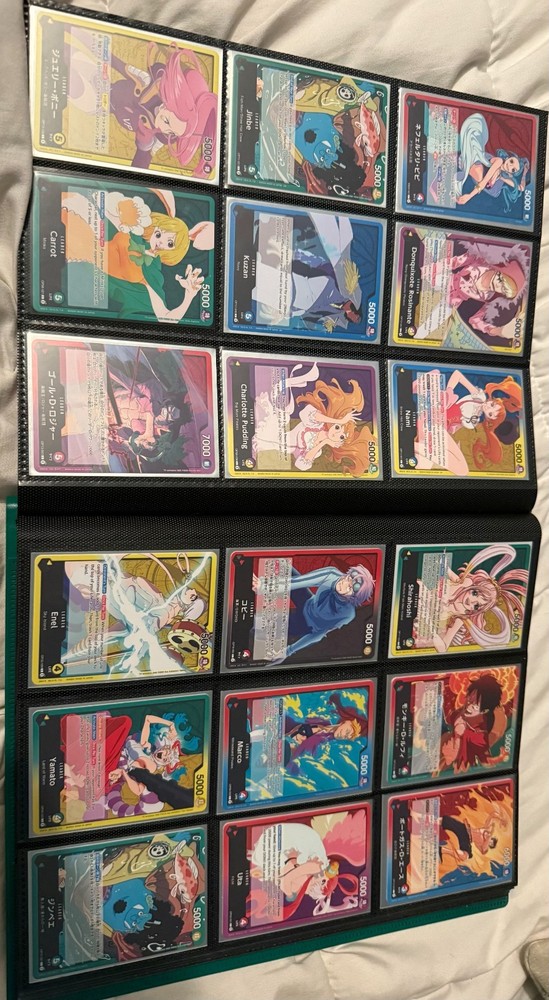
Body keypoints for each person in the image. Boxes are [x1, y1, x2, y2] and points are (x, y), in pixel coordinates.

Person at [414, 542, 528, 653]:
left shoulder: (461, 616)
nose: (470, 601)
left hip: (417, 618)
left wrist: (430, 628)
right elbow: (445, 568)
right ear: (473, 586)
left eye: (476, 606)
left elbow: (443, 648)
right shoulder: (464, 583)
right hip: (414, 592)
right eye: (474, 593)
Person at [253, 561, 374, 662]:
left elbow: (318, 634)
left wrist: (288, 651)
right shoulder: (331, 574)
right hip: (308, 602)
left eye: (350, 587)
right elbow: (298, 581)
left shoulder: (348, 614)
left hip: (306, 624)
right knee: (281, 565)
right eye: (348, 578)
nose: (344, 583)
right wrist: (264, 586)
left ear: (354, 597)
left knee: (260, 624)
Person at [454, 112, 530, 214]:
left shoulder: (503, 177)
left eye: (513, 169)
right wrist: (469, 196)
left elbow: (521, 188)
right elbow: (483, 182)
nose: (510, 165)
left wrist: (524, 173)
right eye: (511, 161)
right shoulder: (498, 161)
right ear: (508, 157)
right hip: (474, 168)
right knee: (479, 172)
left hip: (485, 184)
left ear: (511, 172)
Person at [439, 675, 509, 772]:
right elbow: (452, 717)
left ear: (484, 711)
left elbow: (485, 760)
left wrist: (500, 758)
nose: (469, 706)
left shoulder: (478, 734)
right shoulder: (463, 713)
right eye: (469, 700)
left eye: (475, 706)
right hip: (441, 736)